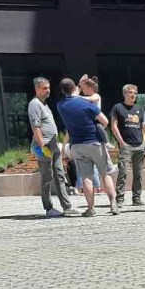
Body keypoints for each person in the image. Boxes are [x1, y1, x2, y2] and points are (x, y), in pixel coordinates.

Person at [57, 78, 117, 217]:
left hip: (77, 145)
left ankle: (90, 208)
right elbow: (105, 121)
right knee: (105, 174)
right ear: (75, 88)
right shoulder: (86, 104)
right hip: (95, 142)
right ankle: (113, 204)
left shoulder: (61, 105)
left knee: (86, 177)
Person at [28, 77, 77, 218]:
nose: (48, 90)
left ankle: (67, 207)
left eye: (49, 87)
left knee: (60, 175)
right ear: (37, 89)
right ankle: (48, 208)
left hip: (53, 144)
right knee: (47, 177)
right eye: (45, 88)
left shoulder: (44, 104)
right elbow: (35, 126)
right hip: (44, 146)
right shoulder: (34, 104)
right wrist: (42, 145)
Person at [110, 83, 145, 207]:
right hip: (126, 145)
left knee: (138, 173)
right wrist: (121, 142)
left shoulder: (139, 109)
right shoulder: (118, 108)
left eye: (135, 93)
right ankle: (120, 199)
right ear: (124, 94)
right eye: (130, 93)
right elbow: (113, 125)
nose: (133, 95)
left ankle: (137, 198)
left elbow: (143, 127)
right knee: (123, 172)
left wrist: (144, 141)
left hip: (139, 145)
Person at [77, 74, 114, 190]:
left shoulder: (95, 96)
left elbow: (90, 99)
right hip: (91, 122)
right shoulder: (87, 96)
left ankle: (107, 141)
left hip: (97, 118)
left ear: (90, 88)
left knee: (100, 127)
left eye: (84, 88)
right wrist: (80, 84)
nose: (83, 91)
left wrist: (79, 97)